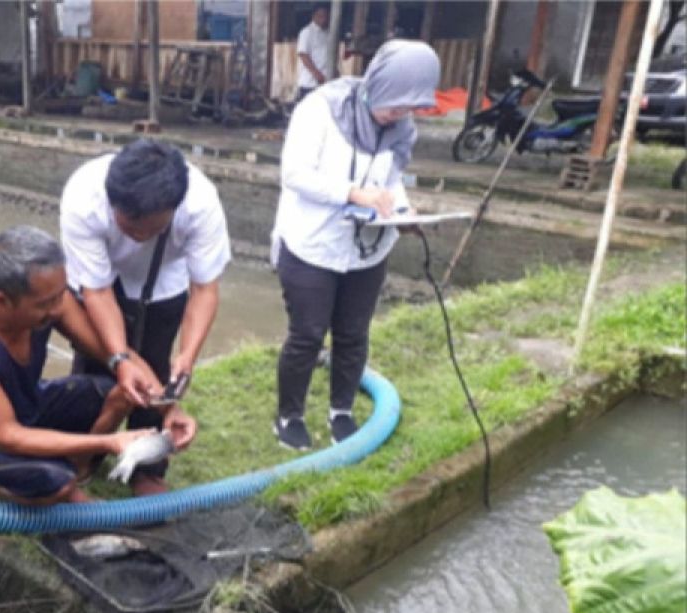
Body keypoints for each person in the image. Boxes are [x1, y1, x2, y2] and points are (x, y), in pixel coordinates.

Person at [0, 225, 197, 505]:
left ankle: (77, 470)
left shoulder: (53, 301)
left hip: (23, 408)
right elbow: (6, 435)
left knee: (117, 389)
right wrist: (110, 443)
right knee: (54, 481)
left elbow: (118, 355)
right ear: (1, 299)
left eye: (60, 294)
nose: (57, 308)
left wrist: (168, 407)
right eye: (44, 304)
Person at [271, 40, 440, 451]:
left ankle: (340, 411)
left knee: (353, 334)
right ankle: (289, 415)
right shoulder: (321, 110)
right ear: (376, 85)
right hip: (313, 243)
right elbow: (295, 174)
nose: (398, 117)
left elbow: (391, 178)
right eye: (394, 106)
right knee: (308, 334)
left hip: (367, 249)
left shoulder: (400, 128)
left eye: (407, 110)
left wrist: (402, 211)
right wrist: (352, 193)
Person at [60, 138, 230, 496]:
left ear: (174, 208)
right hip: (100, 280)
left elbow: (204, 289)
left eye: (150, 228)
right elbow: (98, 291)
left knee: (156, 364)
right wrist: (120, 358)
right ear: (112, 201)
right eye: (129, 224)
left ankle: (149, 468)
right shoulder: (83, 197)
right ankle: (85, 454)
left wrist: (187, 357)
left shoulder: (200, 204)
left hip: (165, 280)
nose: (138, 235)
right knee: (97, 367)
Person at [295, 4, 333, 102]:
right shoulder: (307, 32)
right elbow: (303, 55)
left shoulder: (328, 33)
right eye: (321, 16)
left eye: (326, 16)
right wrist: (317, 74)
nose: (324, 19)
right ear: (314, 16)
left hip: (325, 82)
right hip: (310, 83)